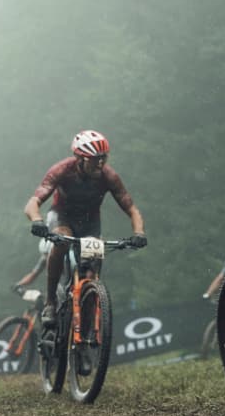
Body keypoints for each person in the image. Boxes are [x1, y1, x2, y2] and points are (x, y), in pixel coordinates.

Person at [24, 130, 147, 325]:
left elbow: (131, 208)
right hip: (62, 217)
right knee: (62, 242)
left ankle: (88, 321)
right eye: (94, 159)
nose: (100, 163)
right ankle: (50, 302)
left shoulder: (109, 176)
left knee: (92, 269)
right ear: (80, 158)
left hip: (90, 222)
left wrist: (139, 233)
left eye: (103, 158)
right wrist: (37, 220)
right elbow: (33, 202)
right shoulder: (62, 170)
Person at [11, 210, 57, 296]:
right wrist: (19, 284)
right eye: (45, 255)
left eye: (47, 254)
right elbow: (33, 275)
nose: (46, 257)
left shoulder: (63, 256)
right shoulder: (44, 259)